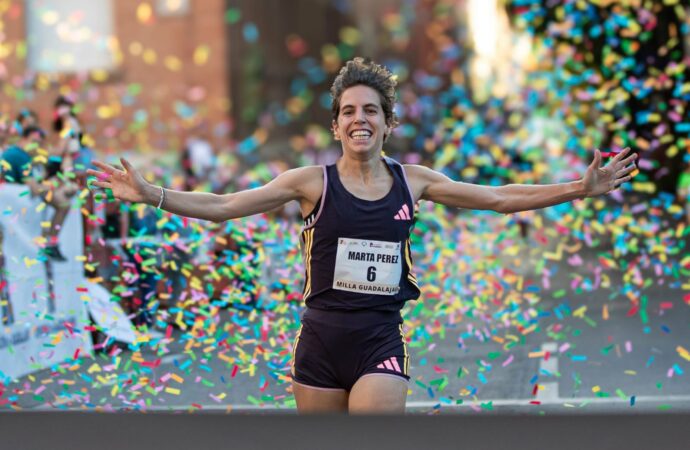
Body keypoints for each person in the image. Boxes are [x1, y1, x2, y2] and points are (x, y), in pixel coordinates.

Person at [88, 57, 638, 414]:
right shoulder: (309, 183)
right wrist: (152, 194)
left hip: (379, 338)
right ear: (335, 126)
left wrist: (578, 189)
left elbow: (497, 198)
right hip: (320, 343)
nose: (360, 118)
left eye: (370, 110)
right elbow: (225, 206)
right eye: (348, 111)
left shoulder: (414, 182)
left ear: (387, 123)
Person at [1, 125, 77, 261]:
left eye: (39, 144)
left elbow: (34, 182)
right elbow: (35, 189)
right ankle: (51, 243)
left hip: (15, 203)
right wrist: (54, 187)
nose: (36, 146)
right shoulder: (19, 156)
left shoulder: (20, 154)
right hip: (13, 204)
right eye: (33, 142)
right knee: (64, 204)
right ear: (23, 139)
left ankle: (49, 241)